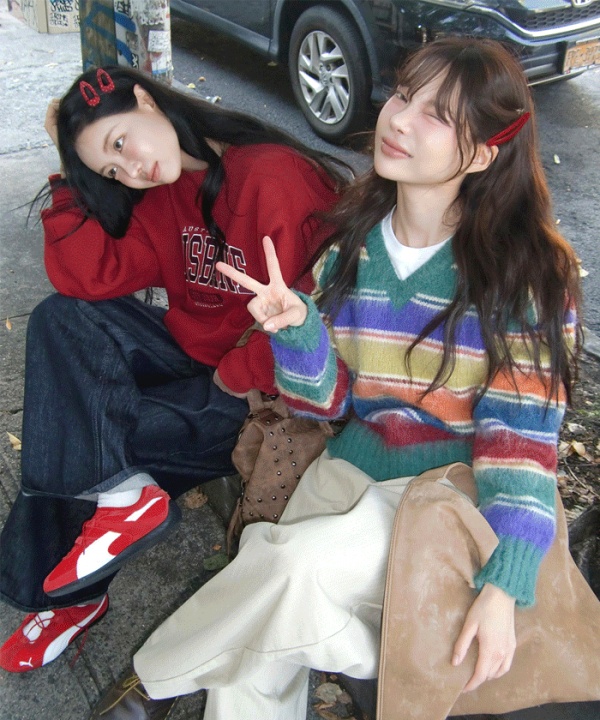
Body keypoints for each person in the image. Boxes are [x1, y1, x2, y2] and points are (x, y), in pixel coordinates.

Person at [89, 37, 594, 720]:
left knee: (287, 569)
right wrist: (297, 332)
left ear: (480, 155)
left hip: (443, 495)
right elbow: (325, 403)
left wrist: (504, 585)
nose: (400, 119)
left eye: (436, 115)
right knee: (265, 638)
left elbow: (522, 447)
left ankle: (152, 682)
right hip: (348, 469)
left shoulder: (523, 278)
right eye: (405, 95)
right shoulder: (353, 245)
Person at [0, 65, 351, 674]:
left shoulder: (272, 177)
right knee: (60, 320)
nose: (131, 169)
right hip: (192, 358)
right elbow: (86, 277)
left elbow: (326, 312)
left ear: (145, 98)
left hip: (253, 391)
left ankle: (70, 594)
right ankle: (119, 501)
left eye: (120, 143)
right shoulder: (161, 194)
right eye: (112, 171)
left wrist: (236, 372)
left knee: (82, 432)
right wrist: (68, 170)